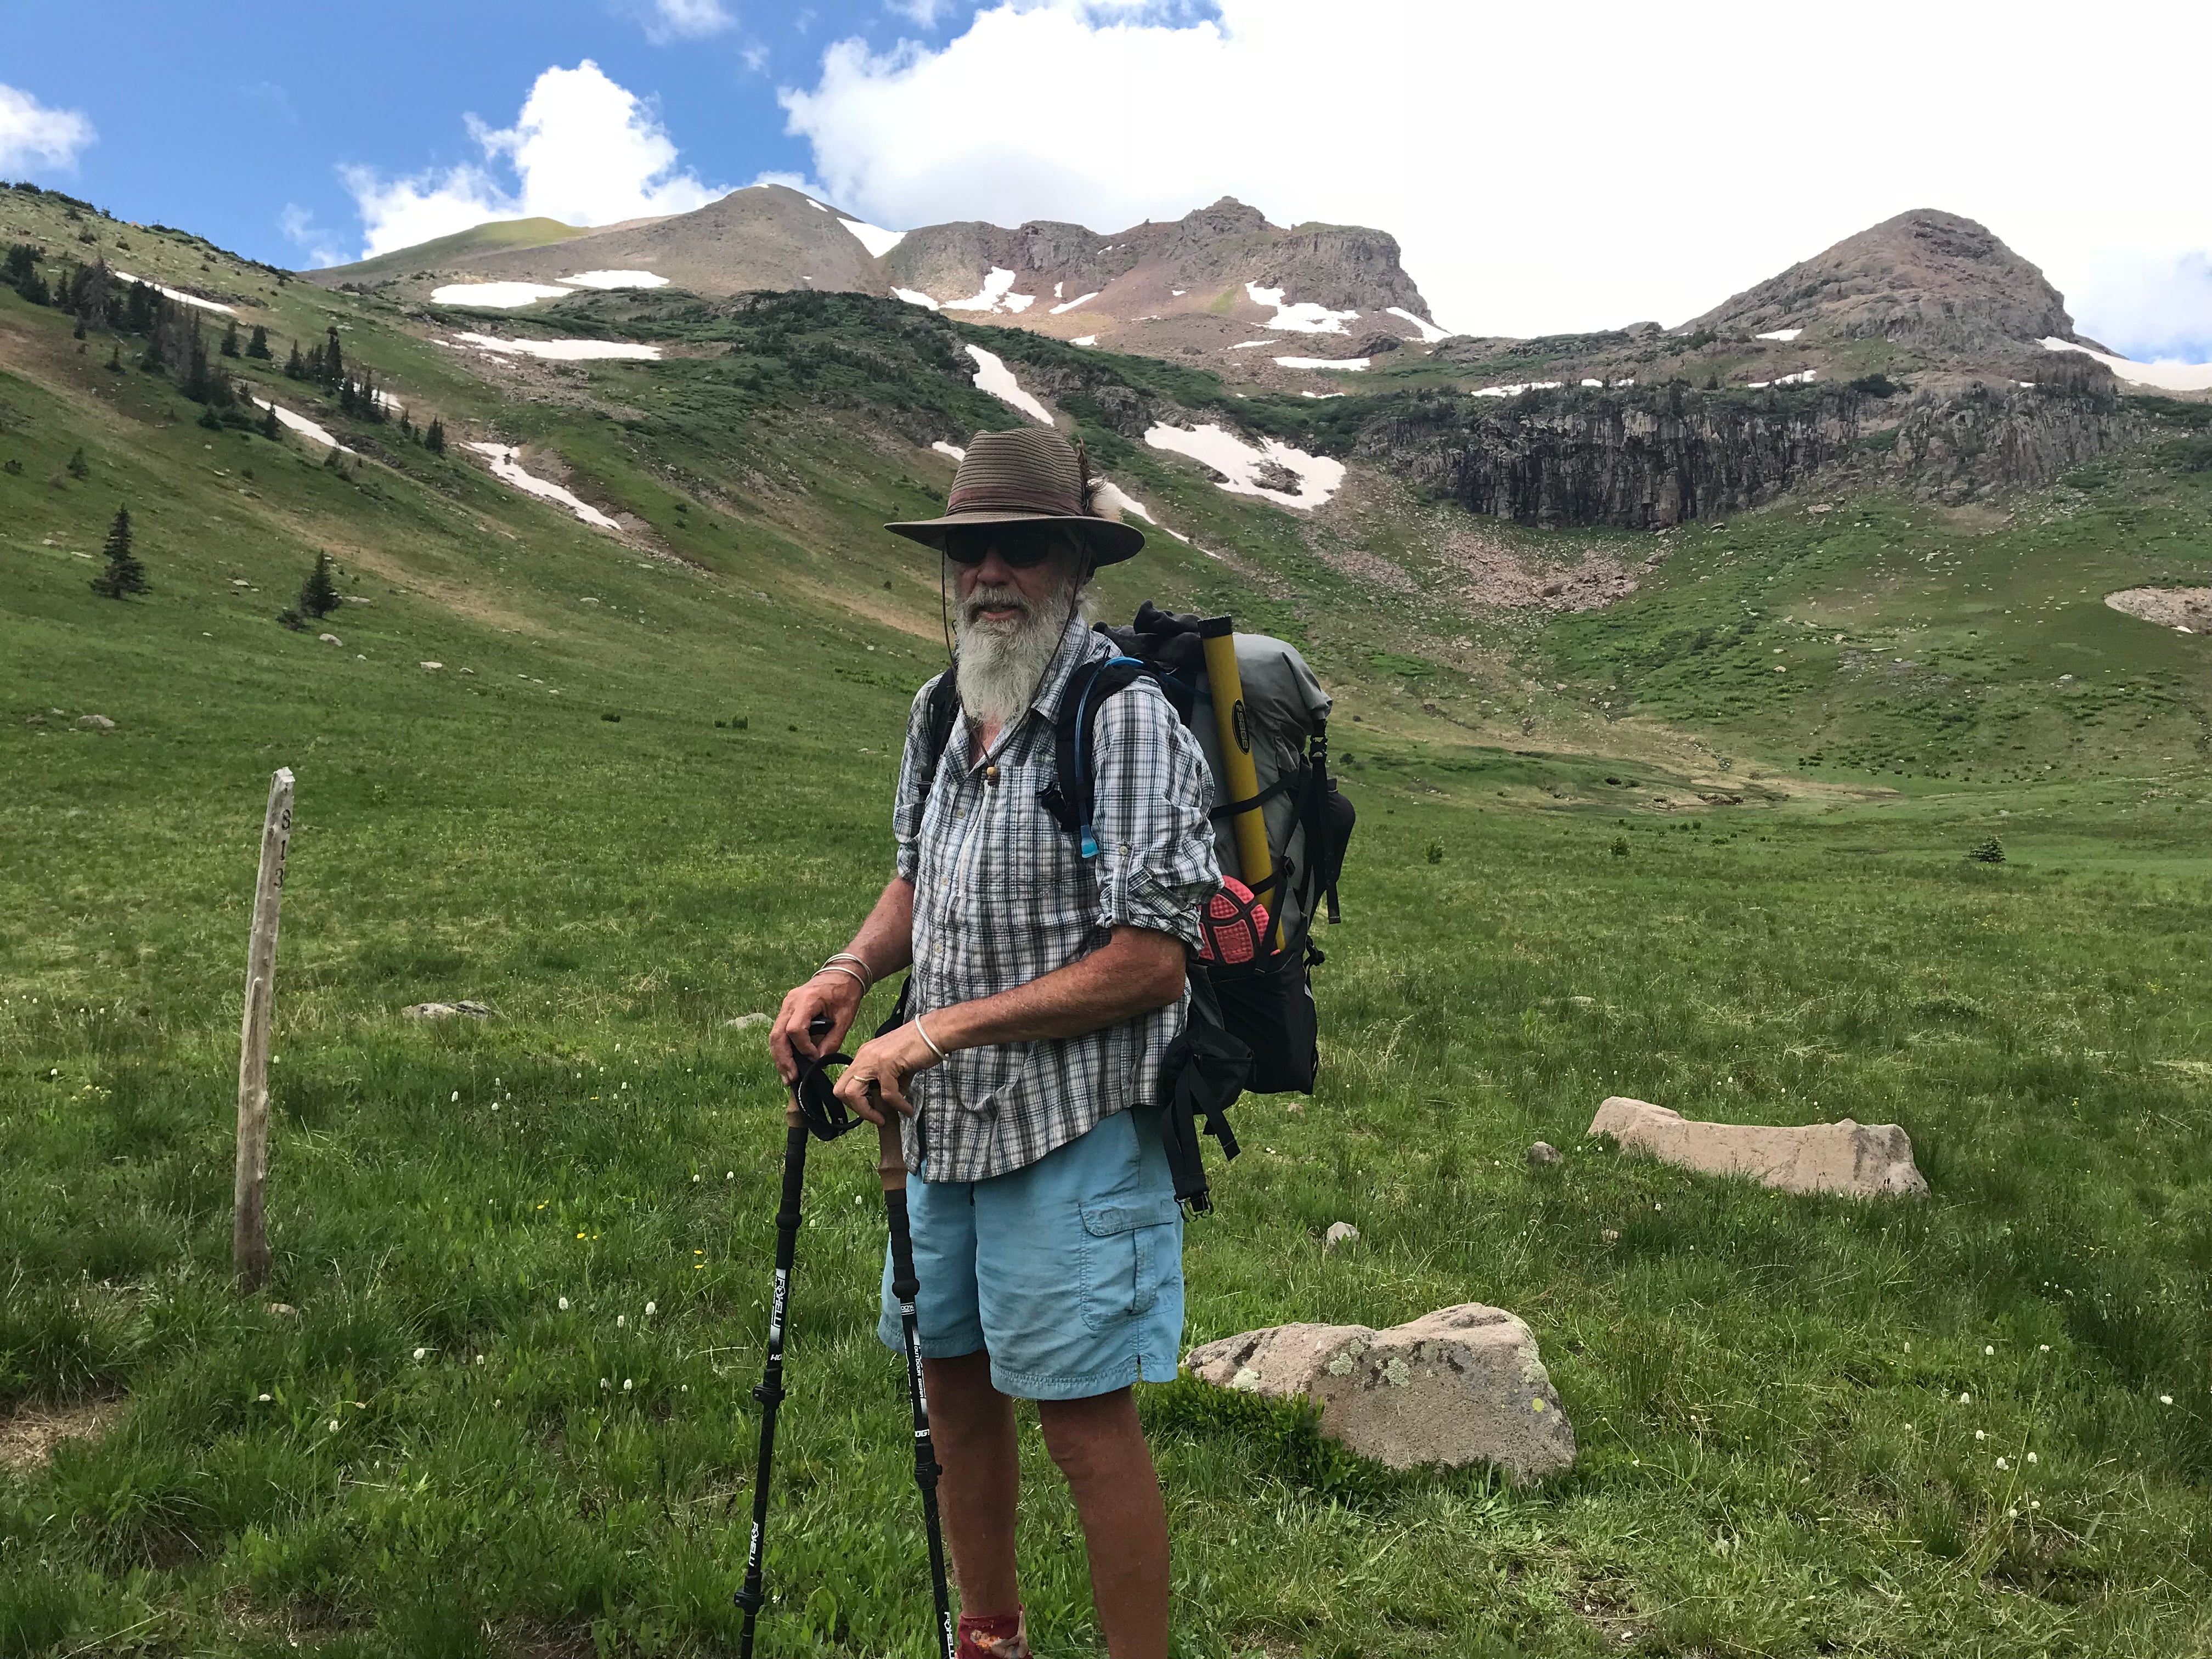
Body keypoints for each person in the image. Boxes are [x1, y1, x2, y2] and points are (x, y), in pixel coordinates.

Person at [772, 427, 1220, 1659]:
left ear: (1074, 565)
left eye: (1019, 550)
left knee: (1083, 1427)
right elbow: (918, 880)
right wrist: (850, 974)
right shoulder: (942, 708)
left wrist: (931, 1031)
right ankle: (992, 1642)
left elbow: (1151, 958)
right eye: (969, 550)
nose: (989, 574)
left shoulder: (1122, 718)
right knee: (952, 1397)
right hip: (938, 1133)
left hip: (1072, 1132)